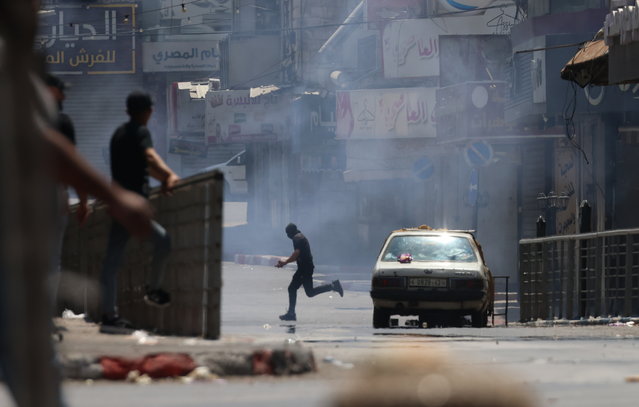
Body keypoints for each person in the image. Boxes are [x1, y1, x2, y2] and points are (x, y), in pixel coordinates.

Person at [100, 91, 180, 329]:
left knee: (111, 263)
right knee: (163, 241)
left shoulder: (119, 134)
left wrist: (162, 177)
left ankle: (108, 313)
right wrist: (169, 175)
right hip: (133, 208)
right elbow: (150, 157)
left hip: (118, 205)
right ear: (147, 111)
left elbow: (143, 166)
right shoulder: (140, 132)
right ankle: (153, 289)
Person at [43, 73, 90, 313]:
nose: (65, 95)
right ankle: (46, 317)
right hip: (51, 198)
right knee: (51, 260)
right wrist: (83, 202)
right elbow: (73, 165)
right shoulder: (61, 122)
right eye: (61, 90)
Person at [276, 223, 343, 321]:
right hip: (305, 268)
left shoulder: (297, 238)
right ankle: (333, 286)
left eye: (287, 233)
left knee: (294, 289)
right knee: (307, 292)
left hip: (305, 268)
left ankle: (291, 313)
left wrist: (285, 262)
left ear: (291, 232)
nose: (287, 236)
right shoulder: (300, 236)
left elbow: (296, 253)